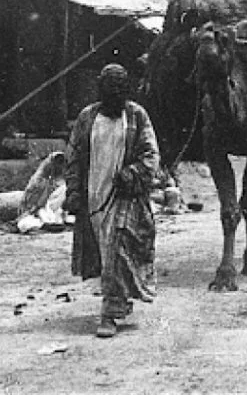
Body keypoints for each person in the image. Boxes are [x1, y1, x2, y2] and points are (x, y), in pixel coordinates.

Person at [62, 63, 160, 339]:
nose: (115, 94)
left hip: (125, 197)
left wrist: (131, 174)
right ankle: (119, 300)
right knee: (107, 255)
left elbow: (151, 155)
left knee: (117, 249)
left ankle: (109, 314)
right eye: (109, 89)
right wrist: (73, 191)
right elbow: (73, 156)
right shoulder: (87, 117)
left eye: (120, 89)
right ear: (100, 90)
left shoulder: (137, 116)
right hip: (95, 197)